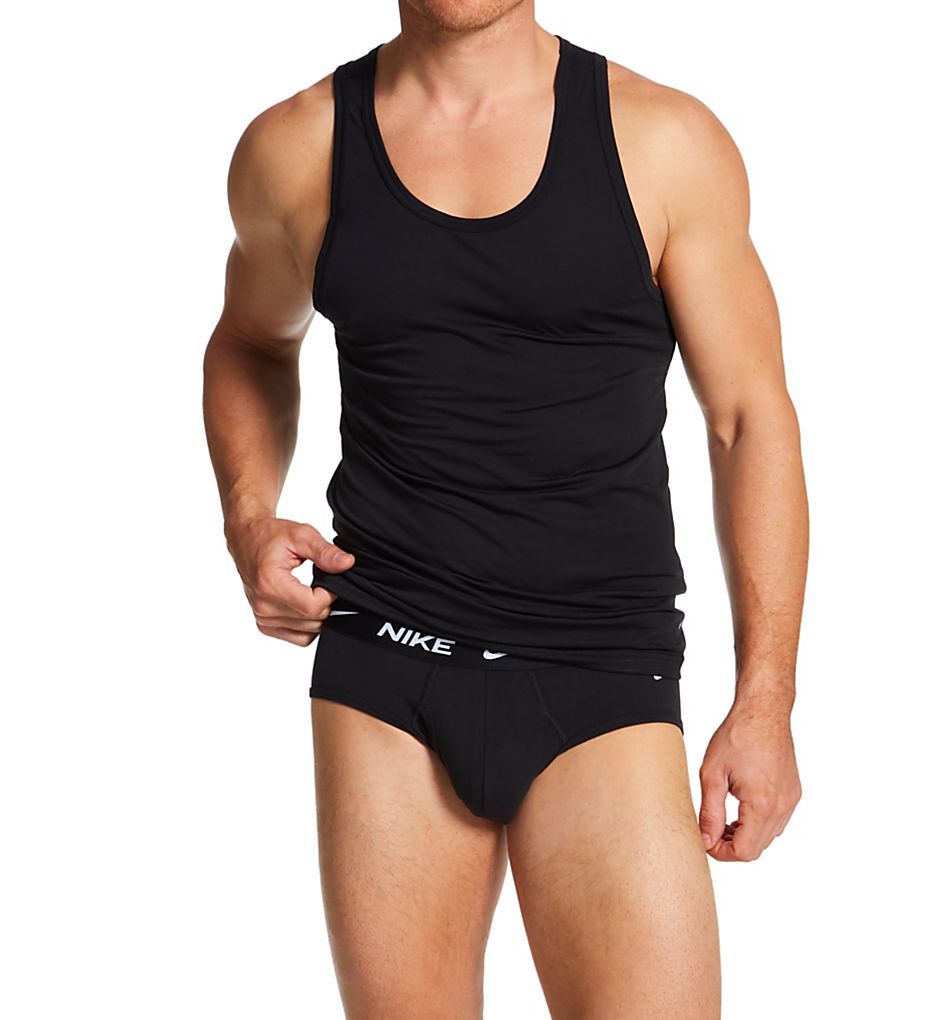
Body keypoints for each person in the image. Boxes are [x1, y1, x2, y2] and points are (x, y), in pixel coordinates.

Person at [203, 3, 808, 1016]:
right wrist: (247, 516)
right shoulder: (296, 147)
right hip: (388, 661)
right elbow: (251, 341)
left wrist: (765, 701)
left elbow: (748, 419)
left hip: (598, 670)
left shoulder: (662, 140)